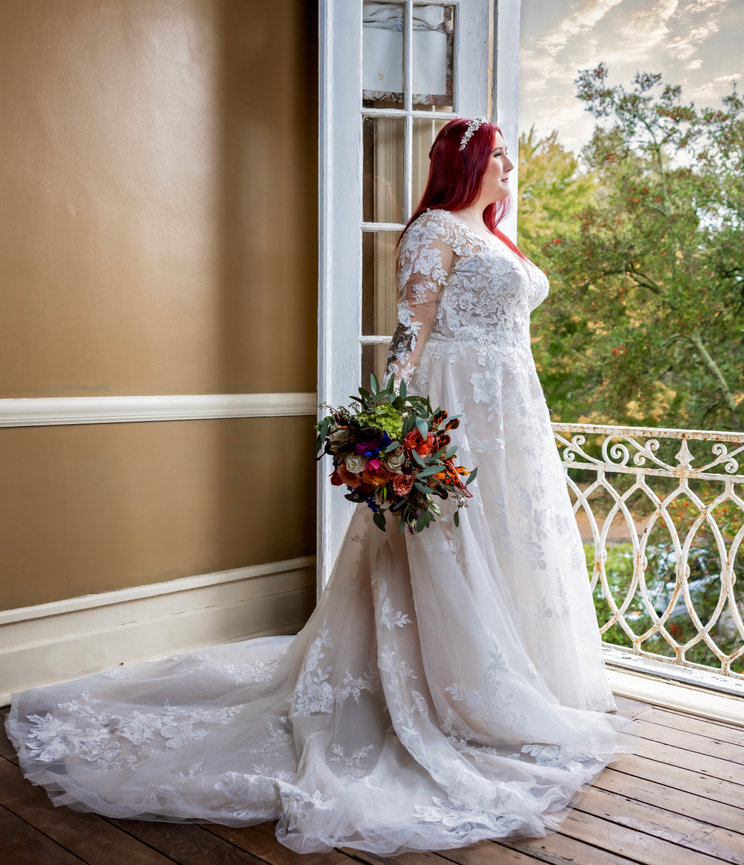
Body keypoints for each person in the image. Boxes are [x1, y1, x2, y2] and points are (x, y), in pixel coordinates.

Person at [6, 117, 632, 856]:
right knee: (449, 550)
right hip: (457, 407)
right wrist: (392, 429)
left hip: (513, 414)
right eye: (496, 156)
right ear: (462, 164)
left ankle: (523, 680)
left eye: (508, 156)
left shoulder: (494, 235)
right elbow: (410, 334)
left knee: (509, 549)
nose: (509, 166)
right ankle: (451, 696)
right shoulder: (435, 229)